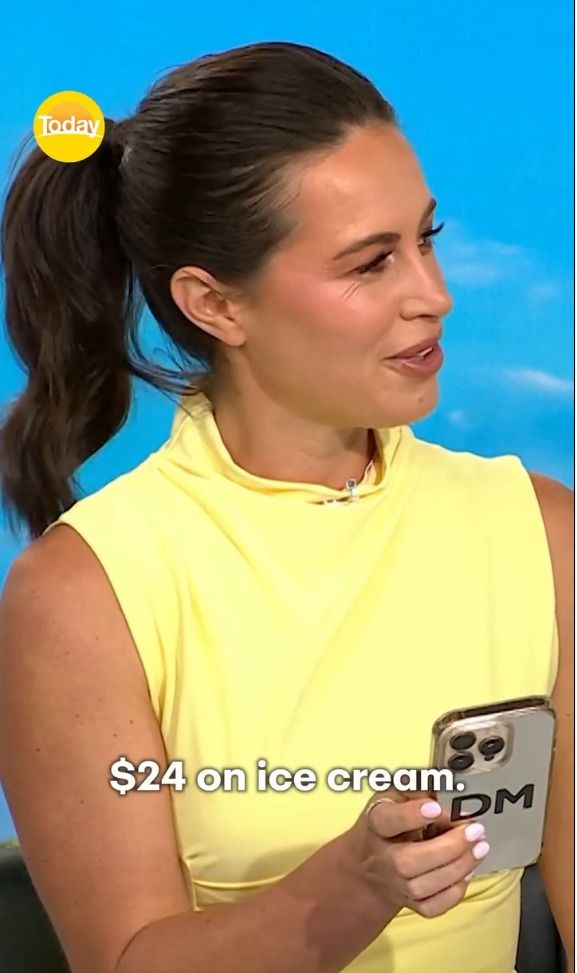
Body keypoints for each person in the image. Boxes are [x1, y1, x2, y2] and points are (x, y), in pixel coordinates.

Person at [0, 40, 572, 973]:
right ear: (215, 304)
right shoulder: (86, 594)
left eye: (425, 239)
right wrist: (353, 885)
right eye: (370, 263)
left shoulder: (540, 534)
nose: (433, 295)